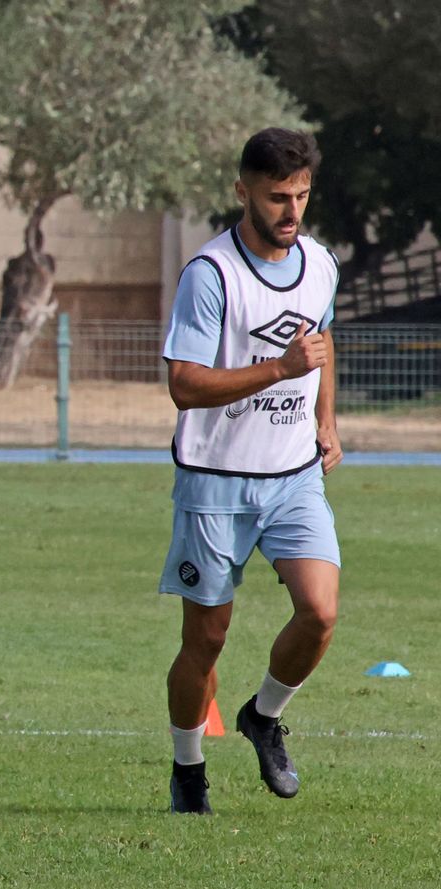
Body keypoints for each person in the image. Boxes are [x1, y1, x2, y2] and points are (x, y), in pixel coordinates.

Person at [160, 128, 342, 814]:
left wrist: (327, 420)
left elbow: (320, 346)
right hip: (214, 477)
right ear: (243, 193)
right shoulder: (211, 276)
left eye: (300, 196)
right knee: (204, 641)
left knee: (320, 612)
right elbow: (184, 385)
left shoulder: (319, 263)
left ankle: (263, 716)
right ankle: (188, 769)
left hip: (293, 473)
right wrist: (278, 370)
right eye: (276, 197)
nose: (290, 211)